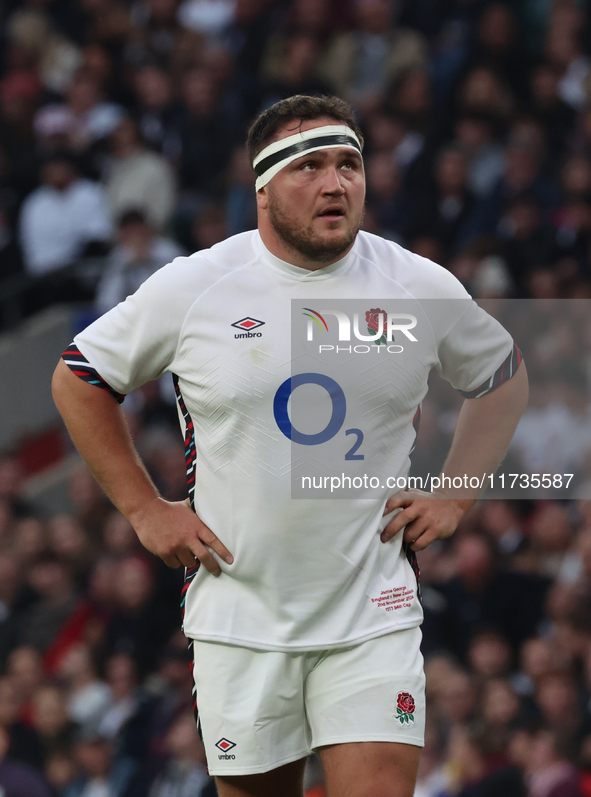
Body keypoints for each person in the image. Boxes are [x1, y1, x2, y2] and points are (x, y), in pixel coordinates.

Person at [52, 94, 529, 797]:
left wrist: (455, 494)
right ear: (263, 189)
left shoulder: (414, 285)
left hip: (372, 614)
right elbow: (79, 379)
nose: (336, 183)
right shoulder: (197, 284)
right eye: (310, 167)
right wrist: (144, 509)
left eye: (349, 164)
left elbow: (502, 377)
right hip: (239, 616)